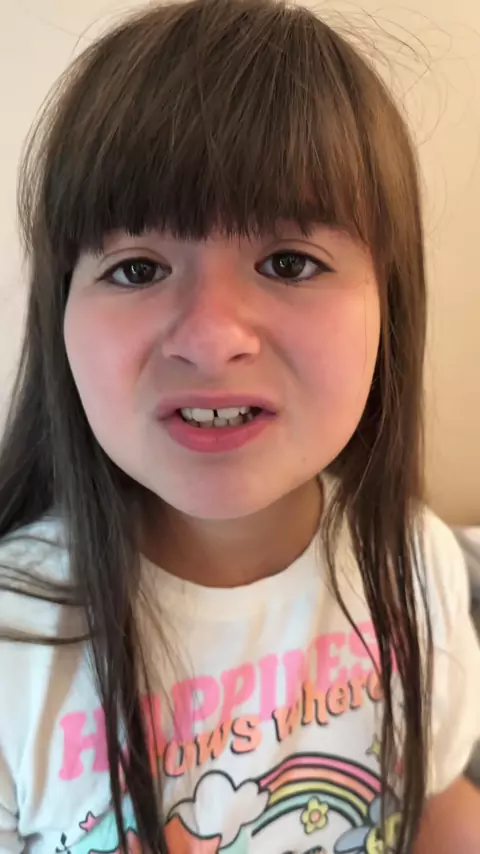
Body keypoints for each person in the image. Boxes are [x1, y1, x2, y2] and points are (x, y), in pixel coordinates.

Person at [0, 0, 479, 851]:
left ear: (390, 308)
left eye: (289, 262)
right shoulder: (15, 640)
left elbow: (437, 808)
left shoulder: (418, 562)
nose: (211, 337)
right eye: (137, 268)